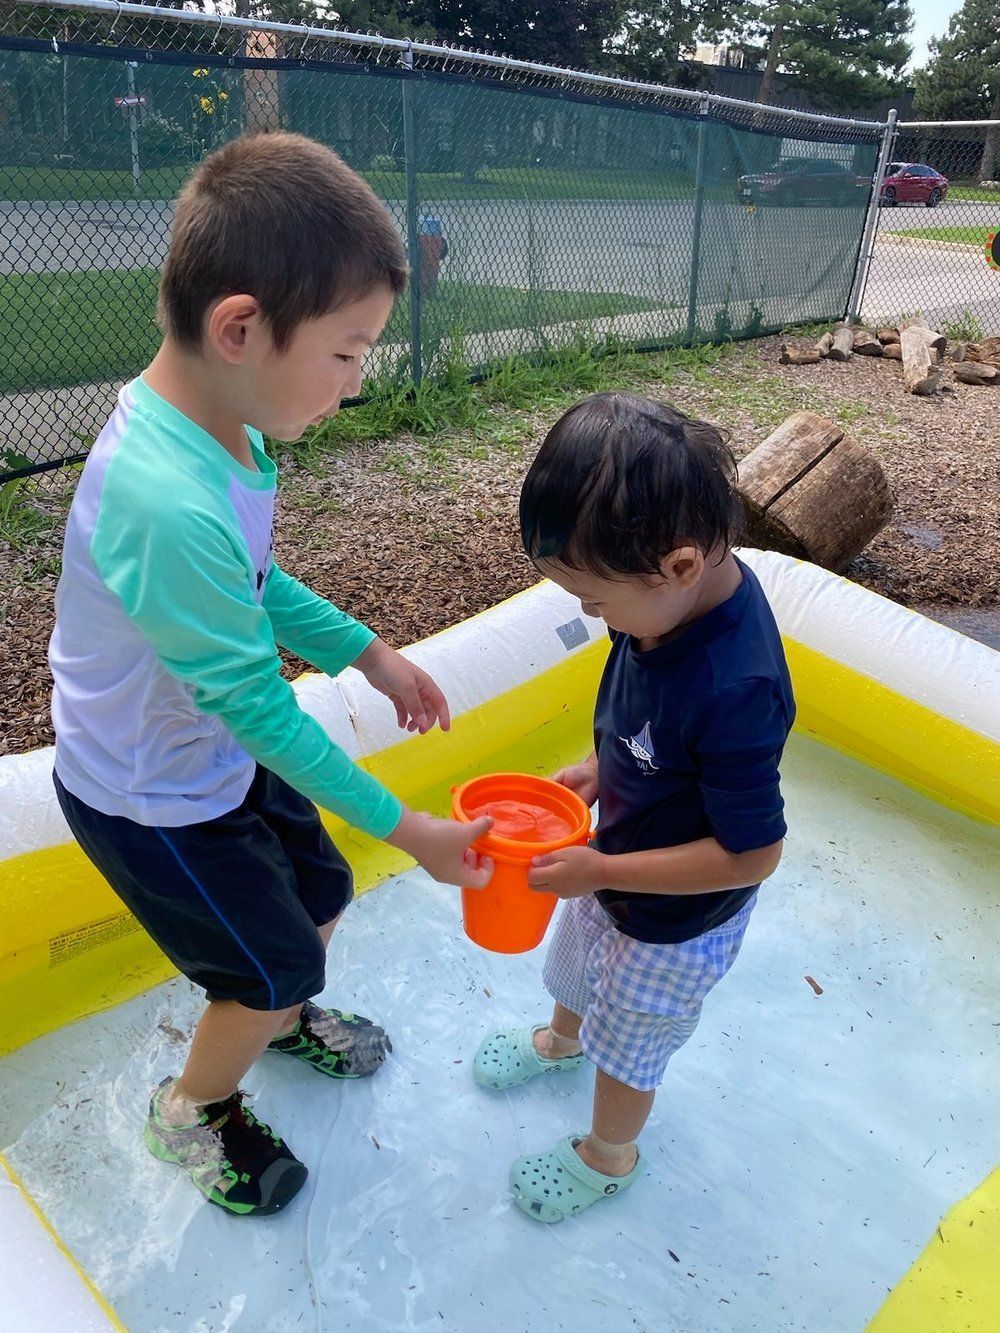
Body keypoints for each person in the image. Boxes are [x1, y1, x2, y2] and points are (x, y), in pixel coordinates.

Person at [48, 132, 493, 1219]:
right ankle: (191, 1108)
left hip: (207, 752)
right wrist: (412, 828)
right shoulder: (162, 495)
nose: (356, 380)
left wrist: (367, 651)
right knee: (264, 965)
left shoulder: (227, 437)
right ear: (239, 327)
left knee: (321, 892)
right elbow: (251, 704)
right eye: (346, 352)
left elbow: (253, 583)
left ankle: (283, 1020)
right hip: (151, 796)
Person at [473, 392, 795, 1222]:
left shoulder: (739, 686)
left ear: (681, 564)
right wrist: (595, 769)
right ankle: (560, 1039)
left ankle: (608, 1155)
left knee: (632, 1037)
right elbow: (647, 722)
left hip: (676, 920)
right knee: (577, 966)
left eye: (597, 601)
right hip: (612, 859)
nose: (593, 618)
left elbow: (753, 853)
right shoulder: (658, 598)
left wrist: (604, 864)